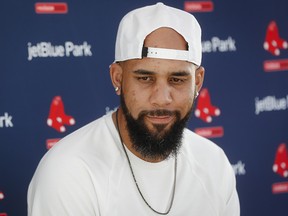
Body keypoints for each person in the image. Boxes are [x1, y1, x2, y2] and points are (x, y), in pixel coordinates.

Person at [28, 2, 240, 215]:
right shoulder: (68, 173)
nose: (162, 98)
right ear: (117, 77)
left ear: (197, 82)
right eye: (145, 78)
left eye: (177, 79)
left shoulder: (214, 163)